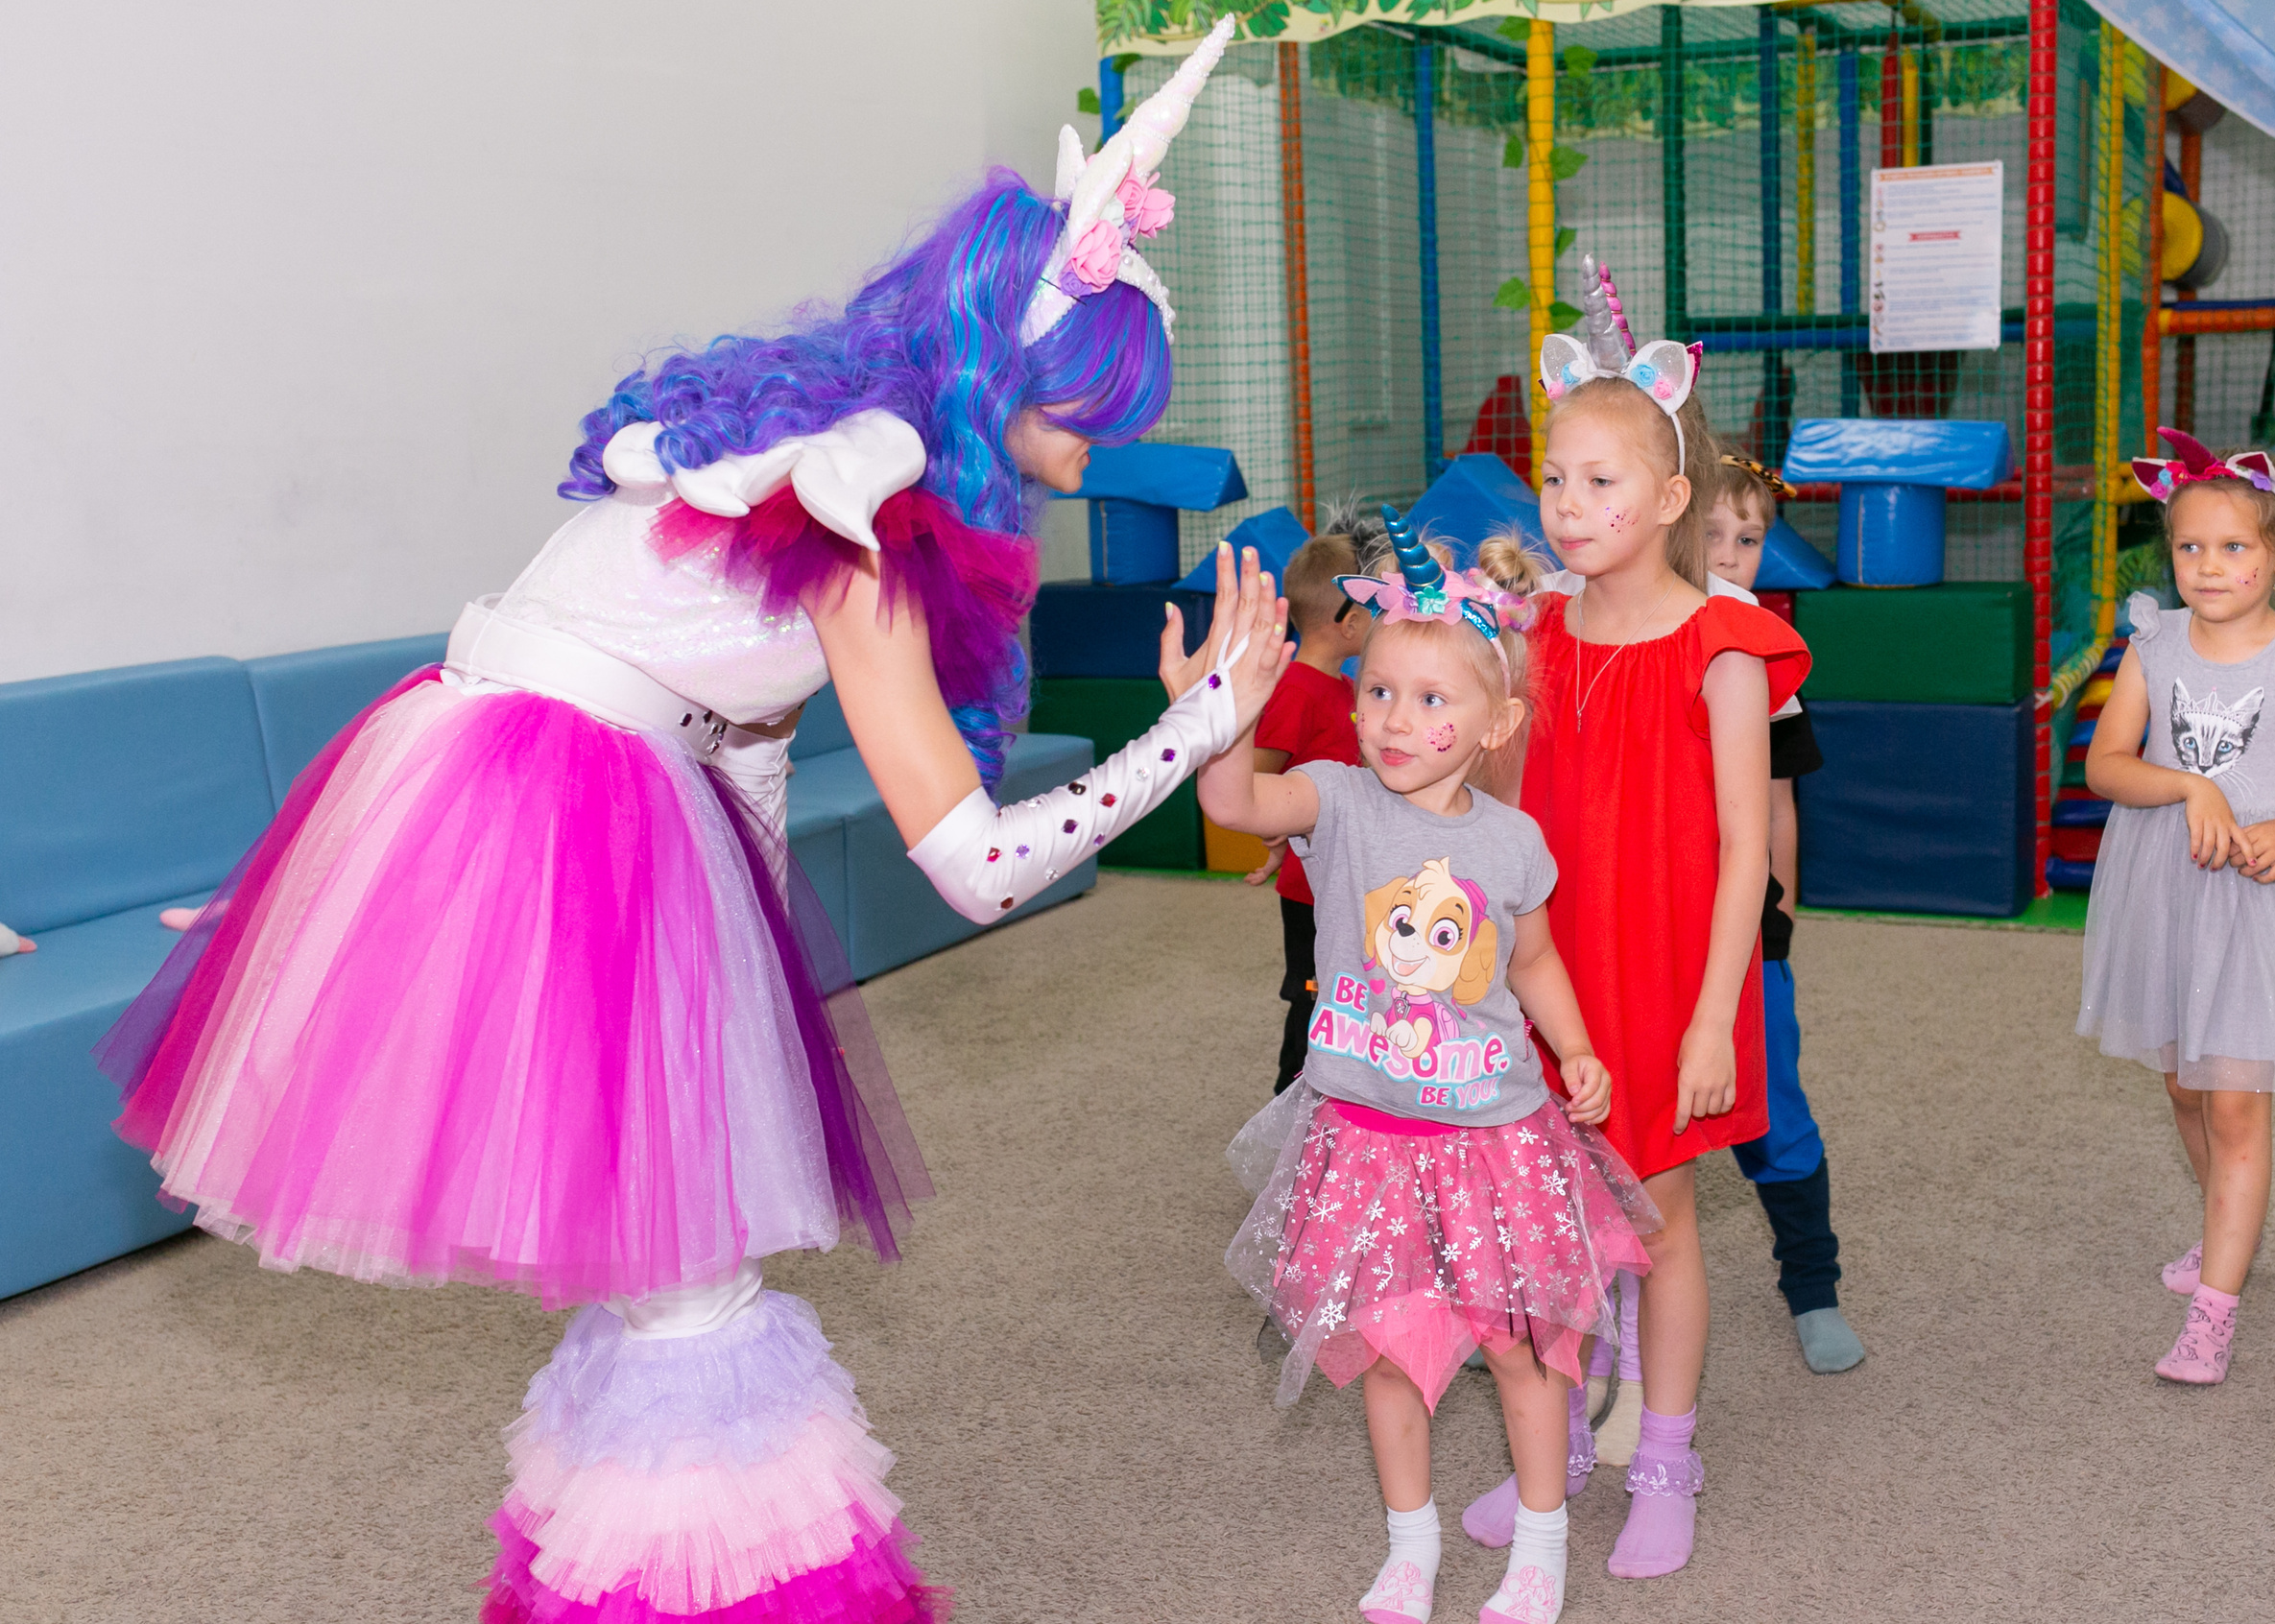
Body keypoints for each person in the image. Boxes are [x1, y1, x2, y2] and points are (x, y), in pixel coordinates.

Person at [95, 27, 1278, 1623]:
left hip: (509, 785)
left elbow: (738, 718)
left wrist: (735, 1001)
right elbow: (978, 869)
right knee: (694, 1294)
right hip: (565, 822)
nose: (1106, 440)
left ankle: (612, 1581)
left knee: (659, 1262)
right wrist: (1202, 722)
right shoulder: (869, 517)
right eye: (1094, 402)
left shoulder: (803, 448)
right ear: (1020, 376)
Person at [1203, 512, 1661, 1624]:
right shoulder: (1335, 797)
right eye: (1378, 691)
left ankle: (1539, 1549)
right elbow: (1230, 803)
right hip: (1364, 1140)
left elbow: (1536, 958)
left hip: (1490, 1141)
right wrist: (1222, 706)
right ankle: (1409, 1547)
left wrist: (1580, 1048)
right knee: (1395, 1360)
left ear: (1495, 721)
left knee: (1518, 1353)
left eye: (1430, 700)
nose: (1394, 720)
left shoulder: (1510, 842)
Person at [1465, 269, 1808, 1581]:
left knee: (1657, 1222)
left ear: (1671, 500)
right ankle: (1551, 1454)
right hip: (1547, 975)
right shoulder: (1537, 630)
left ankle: (1666, 1453)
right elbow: (1499, 803)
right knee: (1549, 1212)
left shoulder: (1723, 638)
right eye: (1557, 478)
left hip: (1667, 977)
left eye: (1604, 482)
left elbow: (1741, 852)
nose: (1572, 505)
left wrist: (1714, 1012)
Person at [2079, 427, 2275, 1385]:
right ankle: (2225, 1234)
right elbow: (2106, 765)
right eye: (2189, 547)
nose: (2208, 567)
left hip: (2257, 894)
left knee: (2238, 1102)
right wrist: (2187, 789)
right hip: (2162, 888)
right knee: (2183, 1085)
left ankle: (2215, 1307)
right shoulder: (2153, 645)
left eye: (2235, 546)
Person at [1698, 455, 1866, 1376]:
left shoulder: (1763, 646)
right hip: (1642, 917)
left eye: (1750, 540)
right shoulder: (1628, 627)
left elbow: (1778, 803)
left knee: (1773, 1108)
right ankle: (1558, 1293)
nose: (1729, 556)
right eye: (1712, 535)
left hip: (1744, 922)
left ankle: (1813, 1284)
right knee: (1594, 1111)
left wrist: (1782, 918)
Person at [1253, 520, 1370, 1093]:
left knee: (1351, 1001)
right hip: (1308, 888)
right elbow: (1257, 776)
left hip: (1350, 879)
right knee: (1313, 1000)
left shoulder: (1348, 689)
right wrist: (1277, 838)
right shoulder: (1297, 690)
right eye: (1373, 607)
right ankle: (1288, 1115)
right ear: (1348, 622)